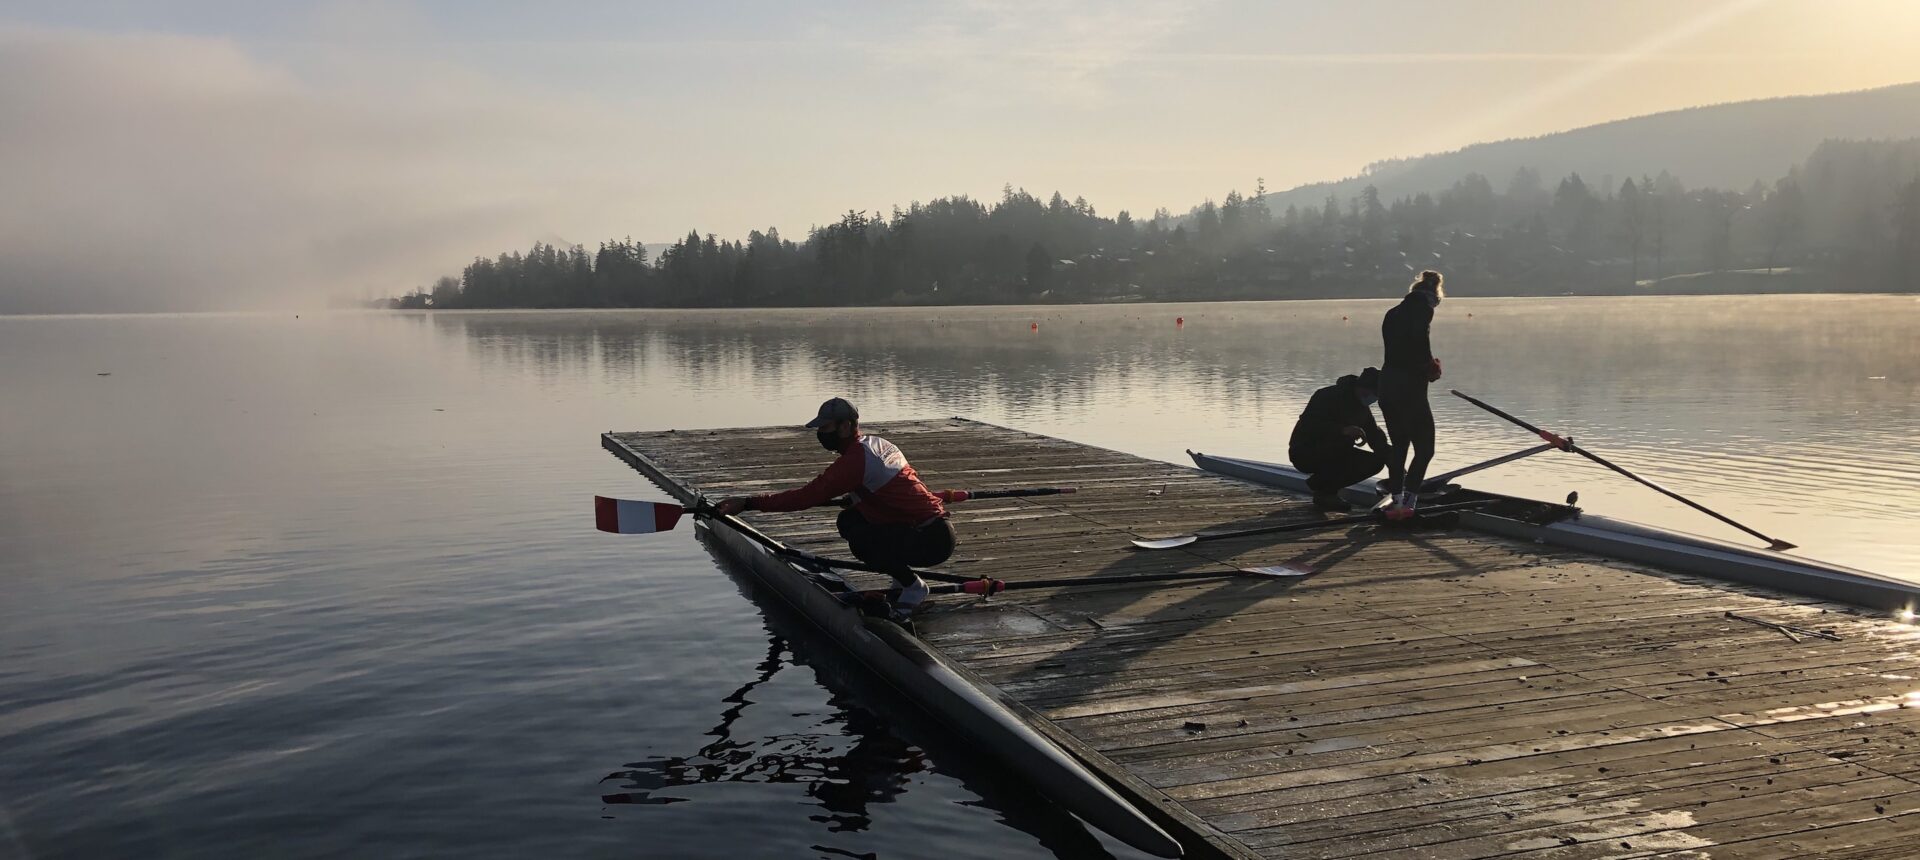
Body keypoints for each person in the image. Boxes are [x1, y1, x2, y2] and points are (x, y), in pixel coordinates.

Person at [714, 398, 954, 620]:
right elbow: (888, 487)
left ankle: (913, 587)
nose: (820, 434)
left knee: (861, 541)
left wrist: (748, 503)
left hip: (932, 540)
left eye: (825, 428)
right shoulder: (876, 443)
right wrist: (859, 497)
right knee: (850, 519)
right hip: (928, 527)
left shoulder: (854, 462)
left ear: (846, 426)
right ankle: (900, 581)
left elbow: (803, 498)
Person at [1379, 269, 1446, 518]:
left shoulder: (1392, 312)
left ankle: (1396, 500)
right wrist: (1430, 368)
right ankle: (1409, 502)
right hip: (1409, 388)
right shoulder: (1423, 309)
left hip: (1387, 385)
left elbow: (1397, 349)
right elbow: (1419, 344)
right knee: (1425, 449)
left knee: (1399, 446)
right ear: (1434, 295)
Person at [1288, 367, 1389, 512]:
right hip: (1305, 451)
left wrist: (1391, 457)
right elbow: (1309, 424)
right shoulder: (1326, 395)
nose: (1374, 398)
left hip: (1337, 452)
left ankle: (1324, 487)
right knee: (1338, 444)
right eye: (1373, 394)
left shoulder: (1361, 407)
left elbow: (1374, 434)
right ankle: (1324, 491)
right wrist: (1342, 430)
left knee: (1376, 462)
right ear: (1362, 388)